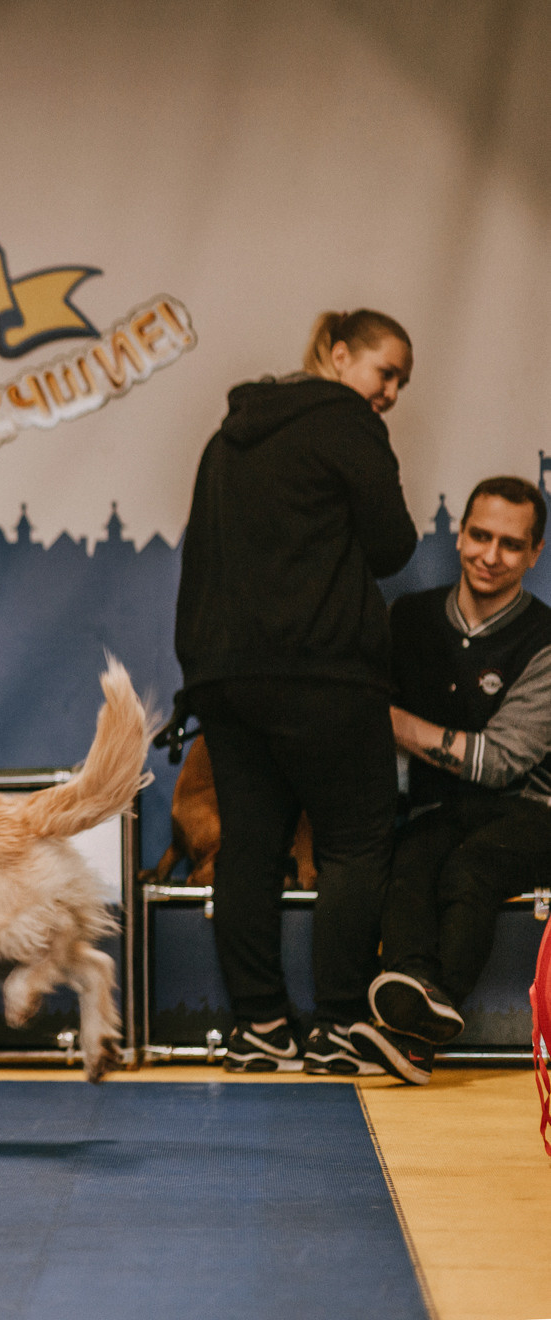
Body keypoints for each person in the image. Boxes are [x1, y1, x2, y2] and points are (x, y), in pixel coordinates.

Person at [173, 309, 418, 1074]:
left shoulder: (228, 436)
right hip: (321, 670)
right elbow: (392, 545)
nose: (392, 393)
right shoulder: (345, 424)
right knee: (355, 840)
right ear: (339, 355)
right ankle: (341, 1026)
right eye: (387, 372)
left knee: (251, 843)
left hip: (223, 674)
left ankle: (259, 1029)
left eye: (401, 381)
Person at [350, 477, 551, 1084]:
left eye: (511, 545)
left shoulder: (547, 638)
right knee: (408, 864)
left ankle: (422, 1013)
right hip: (437, 807)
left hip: (530, 811)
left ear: (535, 554)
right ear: (459, 534)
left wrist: (391, 721)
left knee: (471, 870)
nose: (491, 556)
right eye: (480, 536)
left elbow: (501, 762)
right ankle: (413, 1033)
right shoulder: (407, 618)